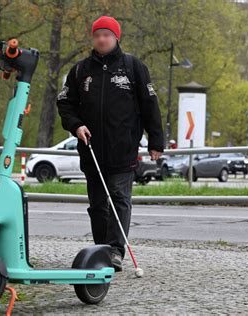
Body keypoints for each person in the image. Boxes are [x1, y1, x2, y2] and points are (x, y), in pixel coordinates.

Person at [56, 16, 164, 271]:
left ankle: (115, 251)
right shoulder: (81, 71)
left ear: (116, 37)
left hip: (123, 149)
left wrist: (156, 141)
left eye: (106, 34)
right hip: (91, 151)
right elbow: (65, 102)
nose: (102, 39)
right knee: (97, 205)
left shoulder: (134, 67)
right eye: (97, 35)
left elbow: (150, 105)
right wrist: (76, 125)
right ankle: (101, 249)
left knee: (119, 199)